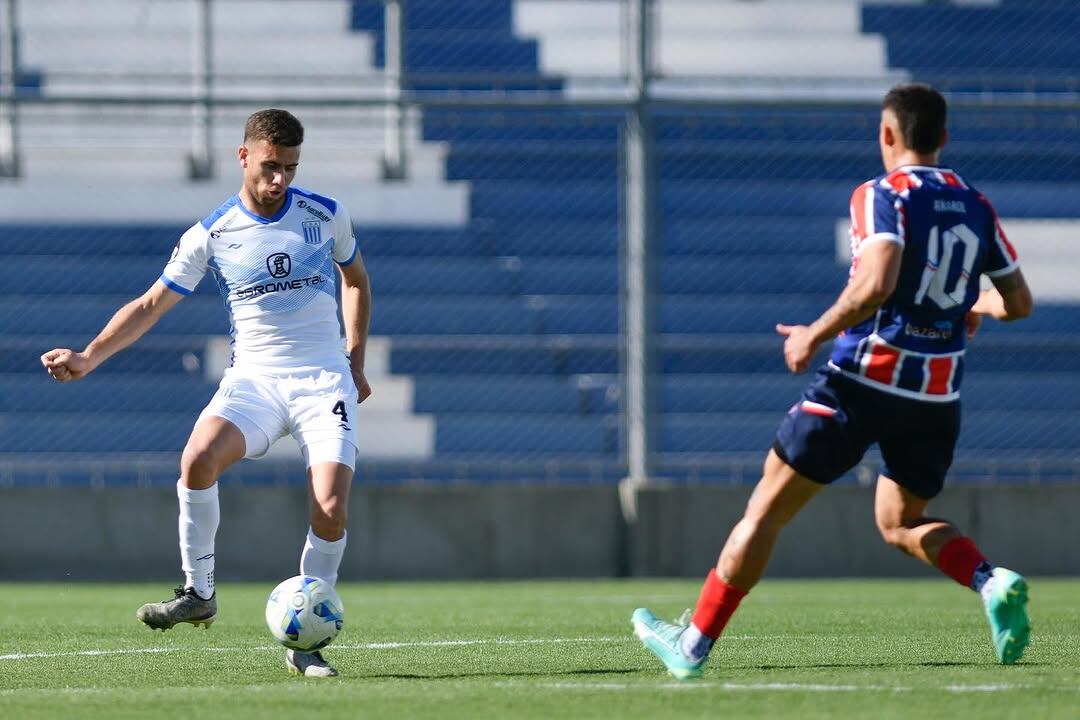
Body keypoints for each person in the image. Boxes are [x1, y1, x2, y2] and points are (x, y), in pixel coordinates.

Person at [632, 83, 1034, 679]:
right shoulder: (975, 203)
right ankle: (989, 580)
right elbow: (1019, 302)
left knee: (765, 510)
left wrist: (811, 335)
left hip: (864, 382)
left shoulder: (881, 195)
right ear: (944, 138)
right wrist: (967, 306)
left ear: (888, 136)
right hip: (936, 397)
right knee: (899, 522)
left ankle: (692, 645)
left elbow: (876, 282)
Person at [40, 108, 372, 678]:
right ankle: (199, 593)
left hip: (322, 382)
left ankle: (306, 643)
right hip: (255, 381)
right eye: (270, 167)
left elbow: (357, 280)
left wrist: (355, 362)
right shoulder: (213, 233)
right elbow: (148, 306)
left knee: (332, 508)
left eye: (290, 168)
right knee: (197, 459)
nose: (280, 181)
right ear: (243, 156)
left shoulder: (327, 215)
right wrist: (89, 356)